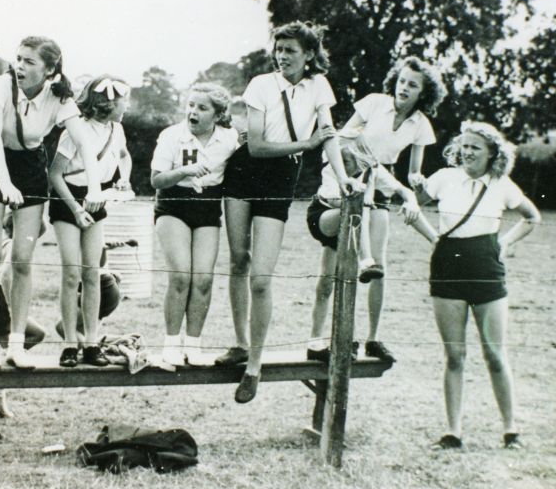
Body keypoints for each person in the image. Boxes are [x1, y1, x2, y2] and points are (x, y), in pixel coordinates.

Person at [216, 22, 356, 403]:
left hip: (281, 180)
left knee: (261, 278)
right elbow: (258, 145)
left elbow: (328, 137)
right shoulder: (261, 84)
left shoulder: (319, 87)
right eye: (279, 48)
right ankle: (240, 344)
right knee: (238, 262)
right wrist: (306, 142)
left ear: (309, 54)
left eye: (291, 49)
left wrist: (343, 180)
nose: (282, 55)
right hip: (245, 172)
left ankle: (255, 366)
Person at [0, 36, 104, 369]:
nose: (20, 66)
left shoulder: (59, 96)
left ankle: (16, 344)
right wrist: (3, 183)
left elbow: (83, 140)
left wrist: (95, 186)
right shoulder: (1, 85)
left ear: (49, 69)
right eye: (18, 58)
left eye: (30, 62)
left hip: (31, 166)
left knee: (22, 260)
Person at [411, 121, 540, 451]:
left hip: (486, 266)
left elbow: (532, 216)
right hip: (447, 265)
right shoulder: (443, 178)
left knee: (495, 353)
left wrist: (504, 244)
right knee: (455, 355)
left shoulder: (501, 184)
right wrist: (430, 233)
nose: (467, 152)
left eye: (475, 148)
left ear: (491, 154)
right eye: (464, 145)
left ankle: (511, 430)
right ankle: (453, 431)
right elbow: (412, 205)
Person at [337, 55, 445, 362]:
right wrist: (357, 149)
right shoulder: (373, 102)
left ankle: (372, 338)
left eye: (413, 85)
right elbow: (343, 138)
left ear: (423, 92)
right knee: (350, 259)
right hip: (354, 173)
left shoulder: (421, 124)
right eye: (402, 82)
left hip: (384, 179)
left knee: (377, 264)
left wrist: (416, 182)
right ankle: (340, 337)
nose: (404, 88)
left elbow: (413, 171)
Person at [306, 136, 422, 362]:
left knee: (326, 281)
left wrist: (411, 201)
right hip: (325, 218)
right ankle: (366, 259)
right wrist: (365, 192)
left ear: (362, 161)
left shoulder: (373, 170)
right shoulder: (332, 170)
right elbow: (340, 201)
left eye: (349, 161)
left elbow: (403, 190)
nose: (343, 164)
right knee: (359, 203)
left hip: (351, 223)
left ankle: (321, 342)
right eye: (341, 158)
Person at [150, 83, 239, 366]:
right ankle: (171, 344)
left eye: (202, 108)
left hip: (207, 208)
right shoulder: (172, 136)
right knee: (180, 276)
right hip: (173, 205)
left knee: (203, 278)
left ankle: (194, 345)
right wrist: (184, 171)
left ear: (217, 114)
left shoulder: (228, 139)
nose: (193, 112)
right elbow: (155, 180)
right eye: (190, 105)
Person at [49, 75, 132, 367]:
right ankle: (71, 343)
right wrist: (74, 209)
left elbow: (123, 156)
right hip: (68, 201)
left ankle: (92, 342)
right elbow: (55, 174)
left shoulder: (117, 129)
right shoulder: (76, 129)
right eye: (125, 100)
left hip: (97, 201)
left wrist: (123, 180)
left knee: (92, 273)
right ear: (109, 102)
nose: (127, 106)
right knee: (72, 273)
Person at [0, 211, 47, 419]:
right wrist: (13, 310)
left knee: (30, 336)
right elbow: (4, 276)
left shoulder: (0, 243)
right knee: (36, 333)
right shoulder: (11, 246)